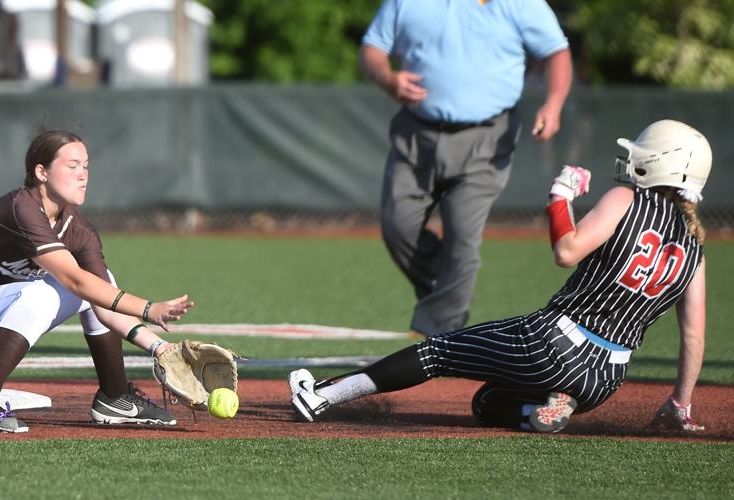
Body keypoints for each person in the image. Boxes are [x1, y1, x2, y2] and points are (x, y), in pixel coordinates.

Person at [289, 119, 711, 434]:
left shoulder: (626, 198)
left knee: (438, 351)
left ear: (658, 164)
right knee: (488, 402)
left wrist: (560, 197)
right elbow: (694, 337)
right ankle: (543, 410)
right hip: (605, 378)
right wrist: (679, 405)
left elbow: (567, 251)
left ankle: (323, 395)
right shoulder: (695, 244)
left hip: (555, 342)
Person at [0, 130, 193, 433]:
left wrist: (159, 348)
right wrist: (149, 308)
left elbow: (102, 300)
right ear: (41, 172)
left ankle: (115, 398)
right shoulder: (20, 208)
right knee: (51, 291)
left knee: (100, 283)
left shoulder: (80, 231)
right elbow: (75, 281)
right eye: (72, 166)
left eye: (86, 166)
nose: (83, 175)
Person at [360, 0, 572, 336]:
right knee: (398, 226)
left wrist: (554, 102)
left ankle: (441, 334)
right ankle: (445, 294)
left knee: (462, 237)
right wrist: (388, 78)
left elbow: (556, 51)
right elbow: (373, 47)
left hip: (486, 137)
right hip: (417, 133)